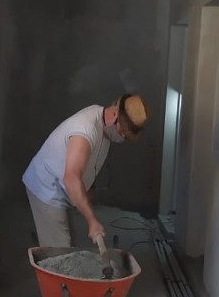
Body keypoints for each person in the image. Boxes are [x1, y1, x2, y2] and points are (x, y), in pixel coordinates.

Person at [23, 94, 148, 248]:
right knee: (59, 254)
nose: (123, 137)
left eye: (127, 135)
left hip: (62, 187)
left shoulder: (103, 124)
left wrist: (87, 194)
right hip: (47, 187)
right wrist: (92, 221)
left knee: (69, 245)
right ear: (114, 115)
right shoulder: (85, 129)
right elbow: (71, 178)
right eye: (123, 131)